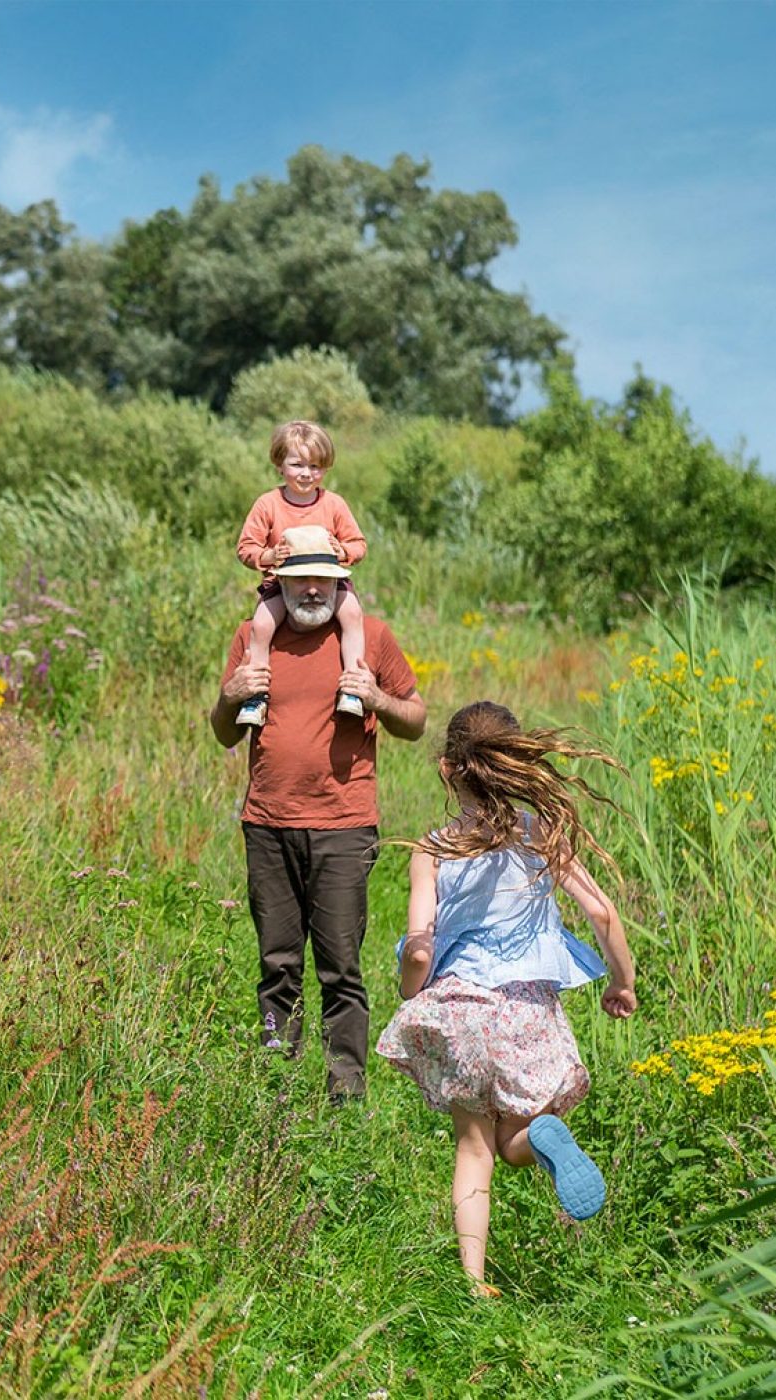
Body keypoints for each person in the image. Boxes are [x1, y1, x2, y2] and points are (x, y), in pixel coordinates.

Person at [376, 701, 636, 1297]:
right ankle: (542, 1135)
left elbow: (419, 948)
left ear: (447, 770)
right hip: (525, 1011)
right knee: (517, 1140)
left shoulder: (432, 848)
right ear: (515, 766)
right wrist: (622, 982)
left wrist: (411, 993)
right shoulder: (538, 833)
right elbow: (602, 912)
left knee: (474, 1147)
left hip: (461, 1009)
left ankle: (473, 1284)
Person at [211, 526, 427, 1104]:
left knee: (340, 967)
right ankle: (275, 1086)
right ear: (277, 581)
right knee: (277, 963)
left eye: (324, 580)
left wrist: (376, 698)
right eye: (301, 578)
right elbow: (223, 733)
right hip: (267, 823)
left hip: (344, 826)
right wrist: (232, 694)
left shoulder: (371, 638)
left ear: (341, 582)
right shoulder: (253, 637)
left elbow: (416, 719)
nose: (313, 590)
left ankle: (345, 1095)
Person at [235, 419, 367, 726]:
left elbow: (359, 544)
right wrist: (269, 556)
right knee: (261, 625)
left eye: (316, 466)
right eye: (297, 465)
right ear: (280, 465)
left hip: (330, 582)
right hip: (282, 582)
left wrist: (343, 551)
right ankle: (256, 696)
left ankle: (353, 686)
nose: (307, 474)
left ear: (325, 468)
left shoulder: (334, 504)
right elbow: (245, 547)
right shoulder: (267, 504)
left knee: (352, 614)